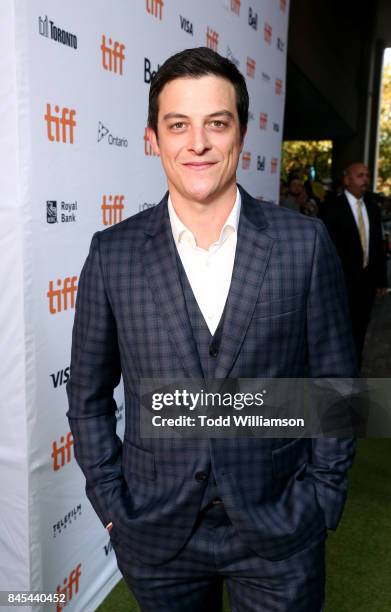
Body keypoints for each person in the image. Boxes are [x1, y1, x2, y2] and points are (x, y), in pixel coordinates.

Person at [66, 47, 357, 612]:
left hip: (281, 529)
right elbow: (87, 396)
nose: (196, 143)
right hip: (156, 531)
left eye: (215, 124)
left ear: (241, 133)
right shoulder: (113, 253)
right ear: (153, 137)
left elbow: (337, 387)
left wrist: (322, 497)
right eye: (178, 125)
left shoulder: (303, 243)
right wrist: (110, 503)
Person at [321, 163, 388, 368]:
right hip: (340, 284)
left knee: (360, 329)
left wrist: (381, 279)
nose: (365, 180)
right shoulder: (331, 208)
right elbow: (325, 249)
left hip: (366, 284)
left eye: (367, 175)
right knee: (339, 330)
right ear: (347, 179)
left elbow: (378, 245)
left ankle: (354, 370)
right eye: (360, 175)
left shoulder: (373, 209)